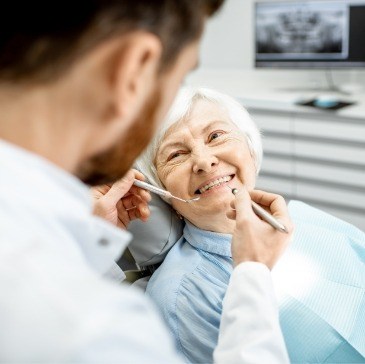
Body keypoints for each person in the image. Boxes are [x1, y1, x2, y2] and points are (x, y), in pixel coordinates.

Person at [0, 1, 294, 363]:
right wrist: (251, 274)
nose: (204, 160)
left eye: (216, 135)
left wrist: (87, 241)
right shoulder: (99, 325)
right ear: (133, 67)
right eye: (181, 76)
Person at [136, 86, 365, 363]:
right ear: (162, 190)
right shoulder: (181, 296)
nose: (204, 161)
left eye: (216, 136)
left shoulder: (307, 220)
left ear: (250, 148)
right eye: (176, 155)